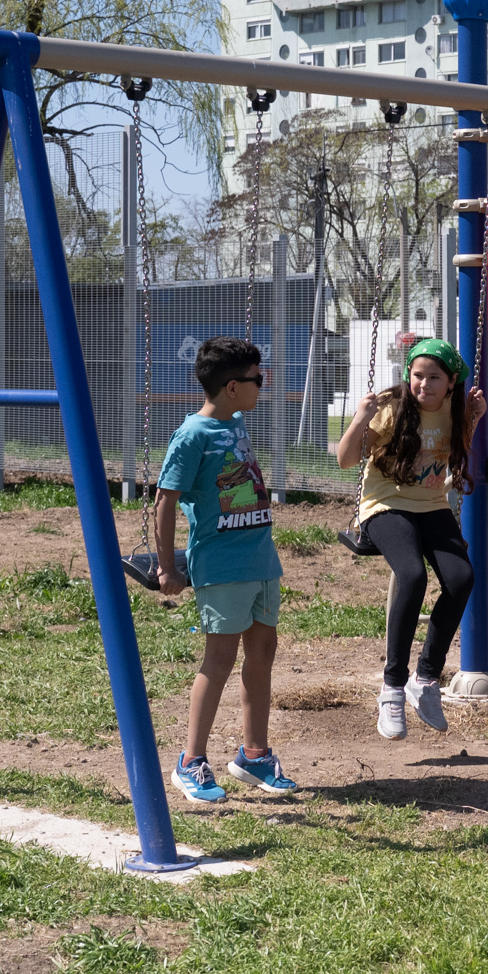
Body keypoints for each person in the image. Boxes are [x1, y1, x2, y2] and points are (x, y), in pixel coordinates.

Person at [151, 335, 297, 801]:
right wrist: (167, 567)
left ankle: (253, 756)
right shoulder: (192, 435)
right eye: (258, 379)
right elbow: (165, 500)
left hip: (259, 559)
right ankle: (190, 762)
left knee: (263, 652)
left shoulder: (236, 422)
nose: (264, 385)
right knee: (220, 658)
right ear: (233, 386)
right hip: (221, 564)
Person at [333, 337, 484, 740]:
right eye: (418, 376)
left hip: (431, 506)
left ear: (451, 382)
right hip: (385, 506)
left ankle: (426, 679)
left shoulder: (456, 410)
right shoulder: (392, 411)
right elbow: (346, 460)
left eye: (434, 377)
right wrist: (360, 418)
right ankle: (393, 687)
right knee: (412, 575)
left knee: (462, 578)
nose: (424, 385)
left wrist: (475, 419)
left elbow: (457, 456)